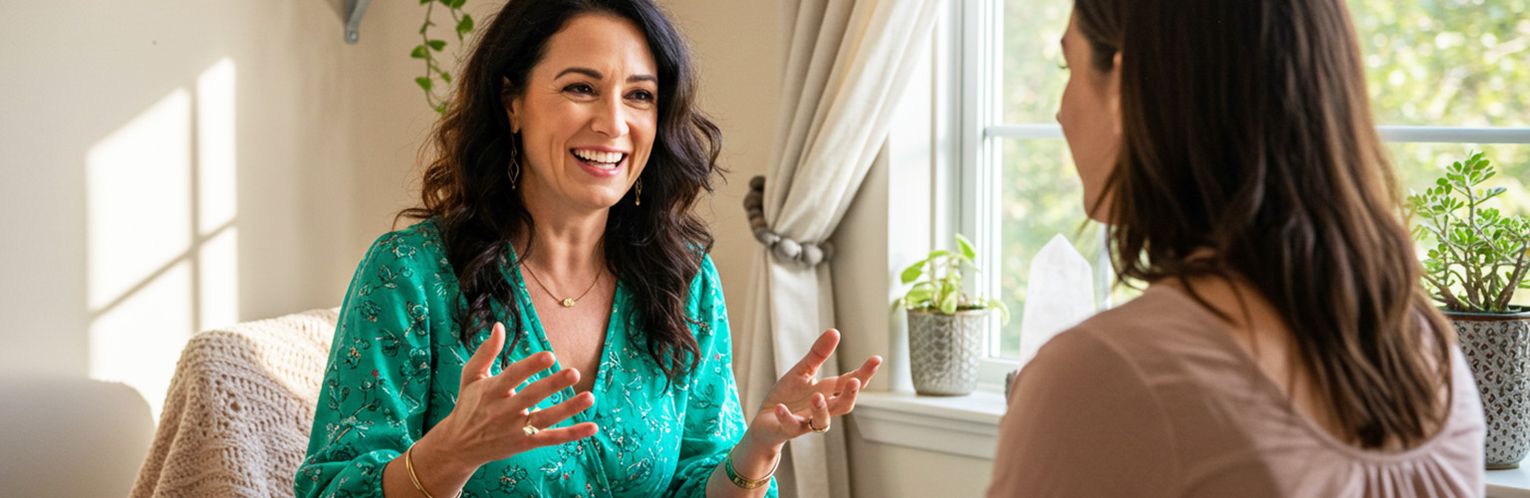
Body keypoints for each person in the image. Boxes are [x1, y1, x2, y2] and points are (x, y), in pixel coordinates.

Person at [295, 1, 881, 496]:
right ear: (512, 102)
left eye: (639, 95)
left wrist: (757, 450)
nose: (613, 122)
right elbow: (330, 487)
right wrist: (450, 452)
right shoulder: (409, 273)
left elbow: (697, 477)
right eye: (581, 88)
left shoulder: (684, 279)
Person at [987, 0, 1485, 496]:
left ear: (1123, 89)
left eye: (1068, 68)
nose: (1060, 111)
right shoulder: (1428, 352)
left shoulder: (1105, 374)